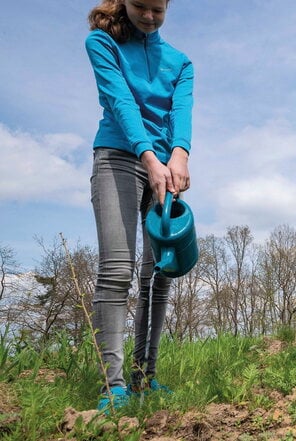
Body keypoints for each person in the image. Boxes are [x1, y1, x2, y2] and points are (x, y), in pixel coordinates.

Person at [86, 0, 193, 411]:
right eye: (140, 7)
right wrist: (149, 156)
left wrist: (179, 154)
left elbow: (181, 109)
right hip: (118, 156)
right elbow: (120, 101)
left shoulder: (181, 62)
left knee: (159, 273)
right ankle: (112, 387)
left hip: (166, 166)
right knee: (117, 269)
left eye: (157, 10)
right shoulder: (102, 43)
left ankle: (145, 377)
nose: (149, 16)